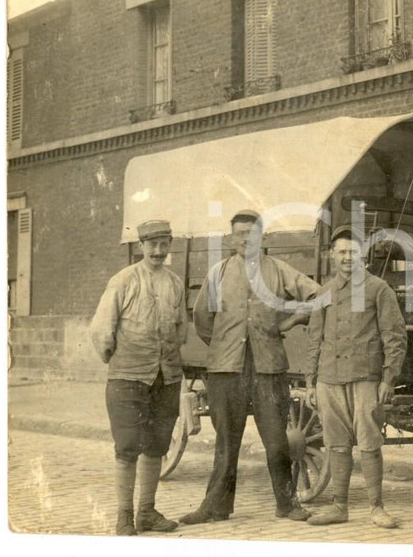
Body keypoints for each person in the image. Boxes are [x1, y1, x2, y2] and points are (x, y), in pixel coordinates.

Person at [180, 209, 320, 524]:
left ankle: (287, 504)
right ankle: (215, 507)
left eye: (251, 233)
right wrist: (224, 346)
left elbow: (317, 295)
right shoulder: (218, 273)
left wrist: (292, 319)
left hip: (268, 368)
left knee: (277, 440)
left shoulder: (279, 270)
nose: (246, 239)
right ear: (232, 239)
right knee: (226, 442)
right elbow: (202, 320)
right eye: (240, 234)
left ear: (262, 237)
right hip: (226, 370)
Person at [303, 225, 407, 528]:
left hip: (366, 378)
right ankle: (340, 507)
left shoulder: (378, 289)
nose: (348, 257)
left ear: (362, 254)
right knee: (336, 443)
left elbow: (395, 337)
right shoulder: (324, 292)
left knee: (369, 443)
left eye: (353, 252)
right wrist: (310, 381)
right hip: (329, 379)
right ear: (332, 255)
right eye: (342, 252)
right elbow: (314, 339)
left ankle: (377, 508)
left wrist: (388, 379)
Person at [90, 219, 186, 536]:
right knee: (128, 445)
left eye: (163, 244)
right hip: (128, 377)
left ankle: (147, 512)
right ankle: (124, 516)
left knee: (157, 444)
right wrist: (119, 359)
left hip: (166, 377)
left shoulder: (174, 283)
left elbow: (181, 329)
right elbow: (102, 330)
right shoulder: (123, 280)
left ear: (169, 245)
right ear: (141, 246)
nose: (158, 251)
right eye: (152, 244)